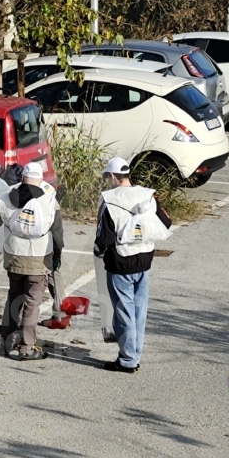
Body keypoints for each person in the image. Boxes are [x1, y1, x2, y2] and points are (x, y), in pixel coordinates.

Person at [94, 156, 172, 373]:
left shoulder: (109, 199)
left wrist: (98, 251)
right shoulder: (147, 195)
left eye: (106, 177)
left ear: (112, 176)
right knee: (139, 311)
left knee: (124, 312)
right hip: (144, 259)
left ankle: (127, 359)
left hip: (120, 262)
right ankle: (134, 354)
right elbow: (166, 221)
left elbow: (104, 237)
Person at [0, 160, 63, 360]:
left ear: (22, 178)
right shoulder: (50, 200)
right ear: (41, 179)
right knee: (31, 304)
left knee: (13, 300)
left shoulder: (6, 197)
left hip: (14, 258)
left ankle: (5, 343)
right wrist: (57, 256)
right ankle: (26, 348)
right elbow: (58, 234)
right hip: (39, 260)